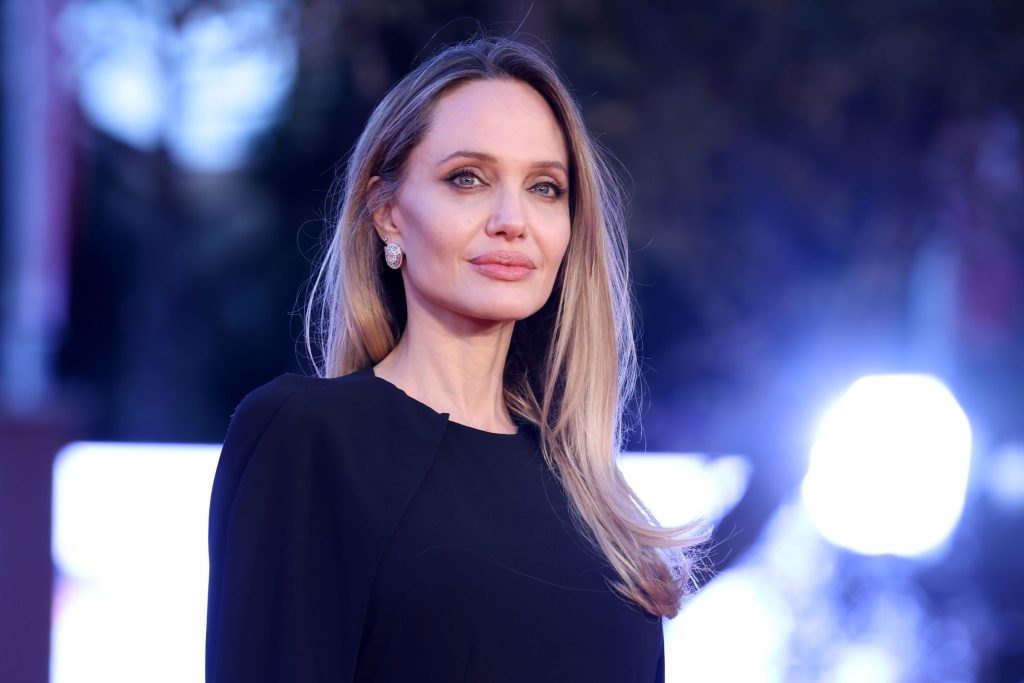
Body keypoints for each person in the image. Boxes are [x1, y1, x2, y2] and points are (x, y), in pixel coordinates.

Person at [205, 35, 706, 683]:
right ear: (388, 214)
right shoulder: (311, 438)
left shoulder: (591, 498)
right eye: (467, 178)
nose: (512, 219)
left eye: (545, 188)